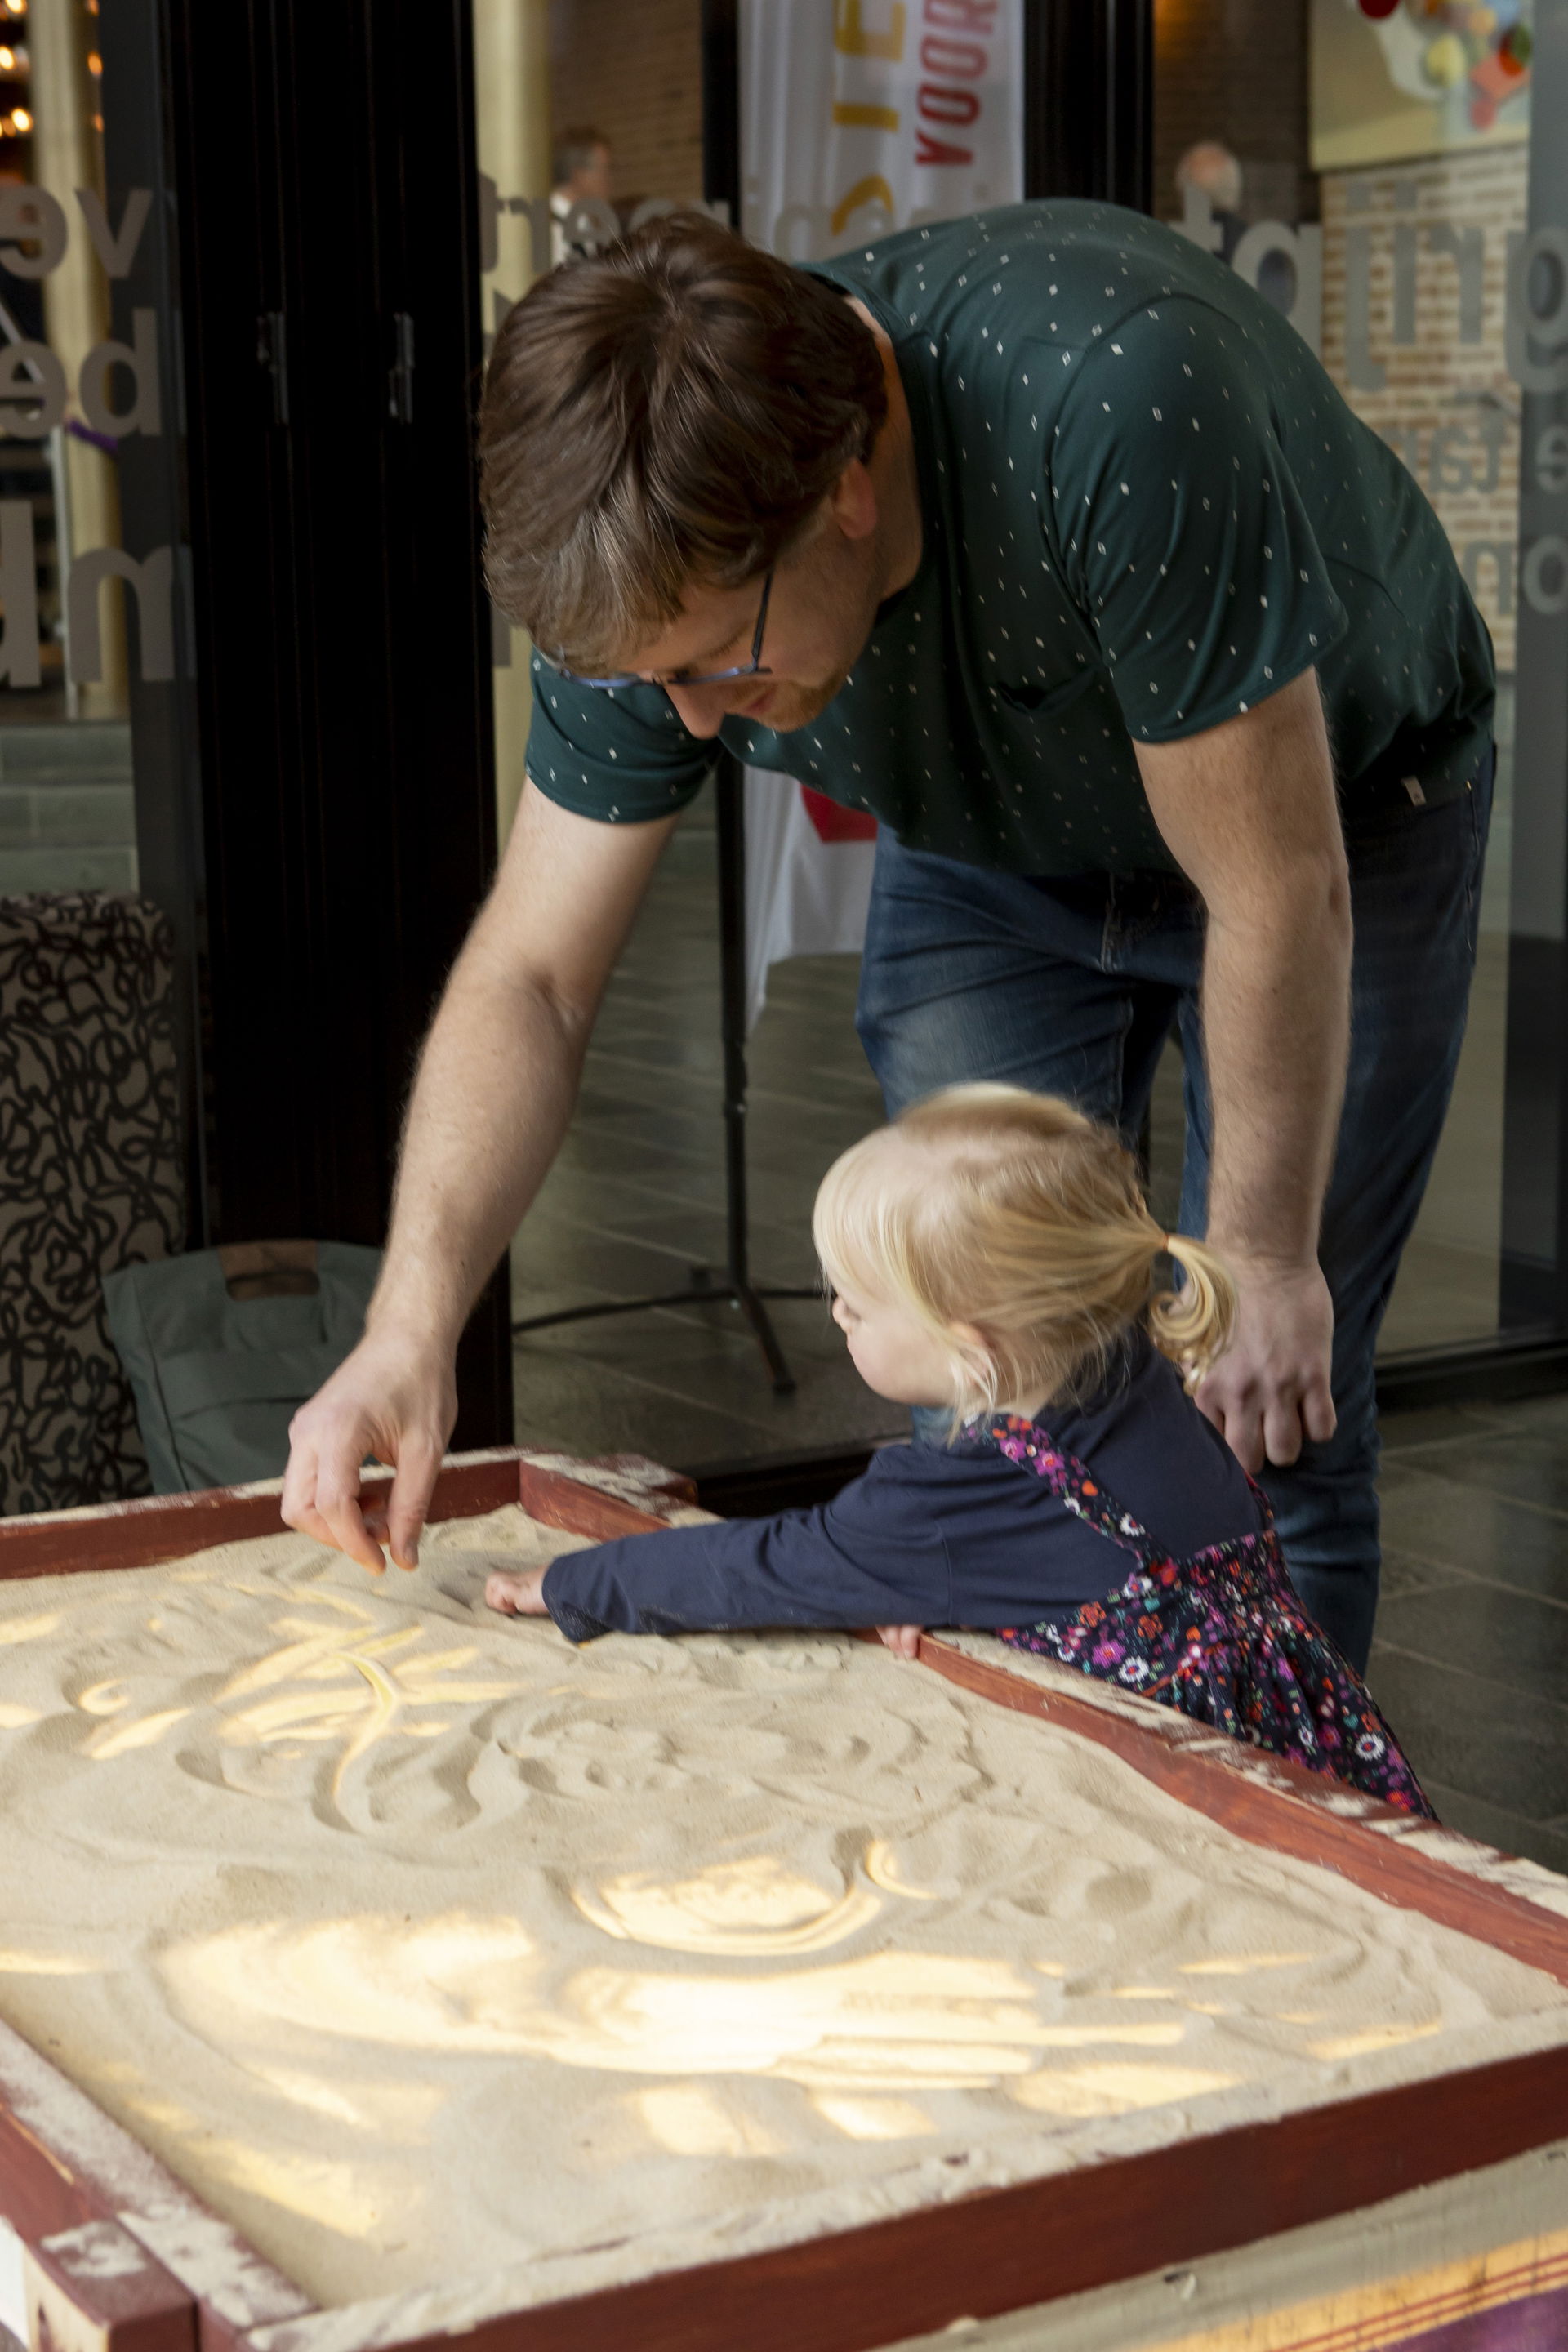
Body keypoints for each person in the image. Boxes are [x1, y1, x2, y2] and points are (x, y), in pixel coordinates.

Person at [282, 203, 1495, 1678]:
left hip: (1331, 815)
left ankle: (1300, 1828)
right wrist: (411, 1328)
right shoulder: (648, 548)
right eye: (653, 680)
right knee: (979, 1364)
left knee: (1265, 1405)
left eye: (722, 663)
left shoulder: (1113, 401)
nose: (692, 722)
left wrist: (1259, 1258)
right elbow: (532, 976)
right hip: (995, 841)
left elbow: (1272, 893)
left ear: (846, 489)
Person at [486, 1086, 1432, 1818]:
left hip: (1182, 1795)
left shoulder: (951, 1501)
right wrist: (958, 1591)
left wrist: (573, 1583)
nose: (838, 1312)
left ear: (968, 1347)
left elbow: (755, 1567)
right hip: (1315, 1754)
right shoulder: (1133, 1379)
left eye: (857, 1298)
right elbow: (1074, 1567)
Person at [550, 126, 612, 263]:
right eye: (604, 170)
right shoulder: (550, 231)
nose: (608, 180)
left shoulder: (582, 224)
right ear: (579, 175)